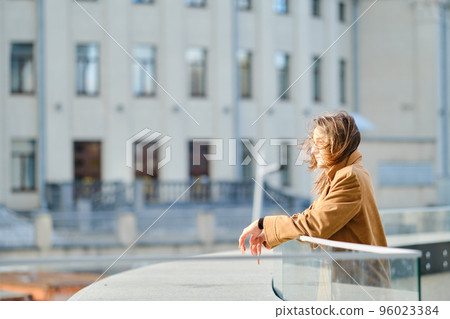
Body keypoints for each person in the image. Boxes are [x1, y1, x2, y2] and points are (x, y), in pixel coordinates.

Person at [238, 111, 390, 287]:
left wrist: (263, 223)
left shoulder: (349, 177)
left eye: (321, 143)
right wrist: (269, 235)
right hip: (351, 284)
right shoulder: (344, 174)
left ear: (338, 144)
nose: (314, 150)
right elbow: (308, 218)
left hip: (358, 288)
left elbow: (313, 226)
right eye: (313, 143)